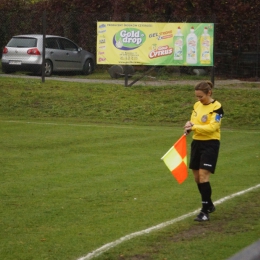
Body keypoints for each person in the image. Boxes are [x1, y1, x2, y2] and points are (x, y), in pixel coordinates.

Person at [184, 81, 224, 222]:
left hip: (210, 144)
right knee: (197, 178)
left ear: (209, 93)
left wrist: (194, 127)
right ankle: (210, 204)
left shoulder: (217, 107)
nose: (198, 99)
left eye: (201, 96)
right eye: (197, 97)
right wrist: (189, 126)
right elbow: (193, 121)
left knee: (203, 176)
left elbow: (212, 127)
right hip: (197, 143)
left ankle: (204, 211)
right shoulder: (196, 105)